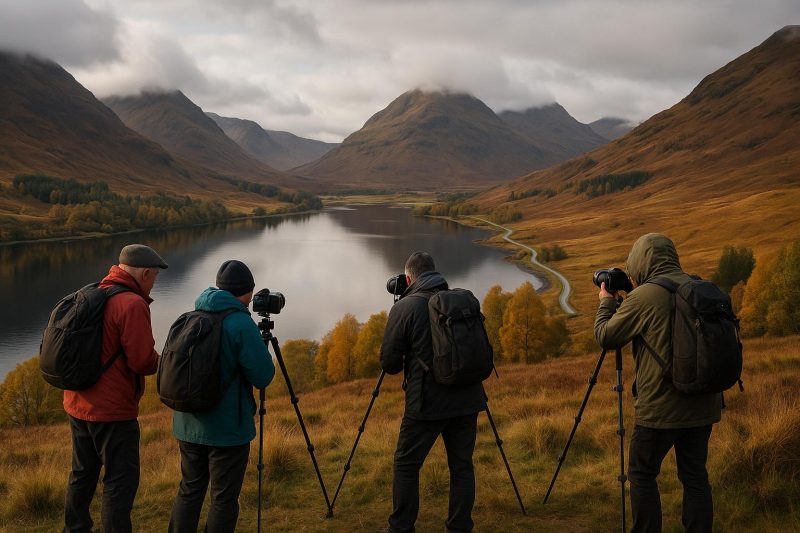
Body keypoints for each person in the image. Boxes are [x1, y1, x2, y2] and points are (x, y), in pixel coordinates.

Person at [595, 233, 723, 533]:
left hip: (659, 409)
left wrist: (605, 304)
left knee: (641, 473)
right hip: (703, 403)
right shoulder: (699, 286)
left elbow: (606, 336)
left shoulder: (644, 297)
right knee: (694, 476)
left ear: (640, 262)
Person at [63, 243, 168, 533]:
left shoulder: (90, 293)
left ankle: (75, 528)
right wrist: (169, 361)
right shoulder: (131, 304)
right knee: (120, 482)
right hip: (112, 412)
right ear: (145, 273)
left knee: (82, 474)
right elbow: (142, 361)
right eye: (155, 277)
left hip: (77, 402)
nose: (154, 283)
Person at [380, 251, 486, 533]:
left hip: (426, 403)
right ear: (434, 273)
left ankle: (401, 527)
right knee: (462, 465)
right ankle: (460, 527)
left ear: (408, 278)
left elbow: (389, 364)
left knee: (406, 464)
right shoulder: (460, 300)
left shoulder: (405, 308)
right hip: (467, 398)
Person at [168, 260, 275, 533]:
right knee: (223, 498)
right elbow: (263, 376)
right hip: (227, 430)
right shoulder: (240, 323)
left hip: (187, 424)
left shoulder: (192, 315)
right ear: (248, 292)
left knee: (189, 490)